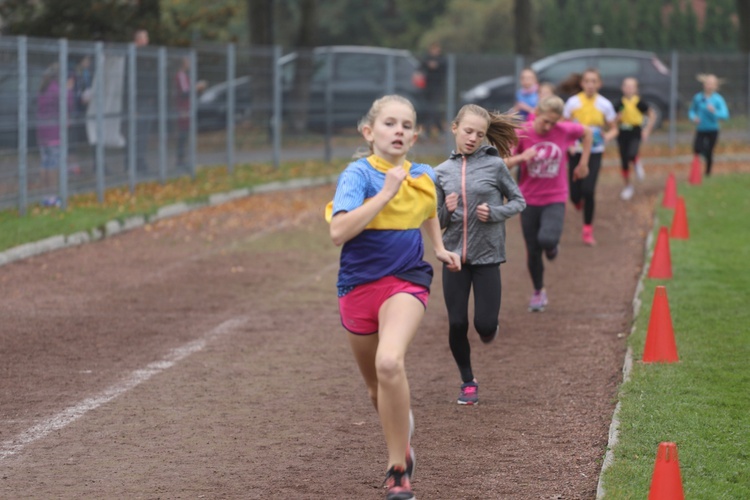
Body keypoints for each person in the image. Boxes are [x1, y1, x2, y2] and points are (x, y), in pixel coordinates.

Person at [325, 95, 461, 500]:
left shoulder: (421, 175)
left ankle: (397, 471)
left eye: (405, 125)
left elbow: (429, 209)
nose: (398, 130)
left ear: (415, 136)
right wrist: (385, 193)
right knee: (375, 388)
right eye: (389, 123)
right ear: (369, 132)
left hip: (405, 280)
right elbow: (338, 232)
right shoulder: (358, 175)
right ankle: (402, 437)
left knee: (389, 362)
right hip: (355, 287)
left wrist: (437, 246)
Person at [434, 104, 526, 406]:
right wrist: (445, 210)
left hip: (488, 256)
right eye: (468, 131)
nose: (473, 138)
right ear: (455, 128)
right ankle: (467, 380)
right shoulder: (440, 173)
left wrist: (496, 212)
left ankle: (489, 328)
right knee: (457, 323)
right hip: (454, 258)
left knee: (485, 326)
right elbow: (436, 221)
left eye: (480, 134)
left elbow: (518, 201)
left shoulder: (495, 165)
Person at [509, 95, 593, 311]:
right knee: (533, 250)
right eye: (545, 120)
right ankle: (538, 292)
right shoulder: (522, 133)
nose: (548, 126)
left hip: (555, 196)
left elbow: (588, 132)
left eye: (553, 123)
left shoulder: (564, 130)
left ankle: (552, 245)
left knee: (546, 239)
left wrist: (583, 163)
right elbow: (503, 163)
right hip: (528, 199)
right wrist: (521, 158)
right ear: (536, 112)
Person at [562, 68, 618, 246]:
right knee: (575, 194)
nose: (591, 85)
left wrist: (607, 137)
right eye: (587, 81)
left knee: (589, 190)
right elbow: (564, 125)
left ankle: (587, 230)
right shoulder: (572, 103)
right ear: (582, 84)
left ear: (599, 84)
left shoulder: (605, 104)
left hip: (595, 151)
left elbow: (614, 128)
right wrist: (569, 144)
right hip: (575, 151)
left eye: (594, 81)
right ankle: (578, 202)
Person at [36, 63, 73, 207]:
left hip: (42, 133)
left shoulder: (43, 88)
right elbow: (68, 105)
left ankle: (45, 195)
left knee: (45, 162)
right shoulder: (57, 89)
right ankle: (52, 196)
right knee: (53, 163)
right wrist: (69, 90)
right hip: (54, 133)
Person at [614, 77, 656, 201]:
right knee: (624, 161)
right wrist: (617, 118)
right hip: (622, 133)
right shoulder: (619, 104)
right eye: (626, 86)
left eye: (632, 86)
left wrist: (647, 130)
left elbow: (652, 114)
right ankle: (628, 186)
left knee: (632, 153)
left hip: (635, 131)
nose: (629, 89)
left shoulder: (639, 103)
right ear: (622, 88)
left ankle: (637, 163)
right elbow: (611, 120)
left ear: (636, 89)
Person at [689, 73, 729, 177]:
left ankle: (708, 173)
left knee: (709, 151)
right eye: (707, 83)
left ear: (716, 86)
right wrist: (694, 118)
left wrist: (714, 111)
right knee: (697, 149)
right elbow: (691, 111)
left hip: (713, 129)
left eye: (711, 84)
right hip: (701, 129)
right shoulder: (698, 98)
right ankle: (696, 172)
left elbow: (725, 115)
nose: (709, 86)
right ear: (704, 84)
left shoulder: (718, 99)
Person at [175, 56, 207, 171]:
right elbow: (185, 93)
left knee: (186, 134)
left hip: (188, 108)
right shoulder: (181, 75)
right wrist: (196, 87)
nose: (190, 63)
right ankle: (180, 160)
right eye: (188, 61)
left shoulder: (186, 76)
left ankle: (185, 160)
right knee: (183, 135)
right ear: (183, 62)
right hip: (184, 109)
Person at [419, 42, 446, 138]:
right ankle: (435, 130)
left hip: (437, 88)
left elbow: (443, 67)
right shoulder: (426, 59)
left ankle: (433, 130)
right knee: (428, 108)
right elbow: (421, 67)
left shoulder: (442, 60)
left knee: (433, 108)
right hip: (427, 88)